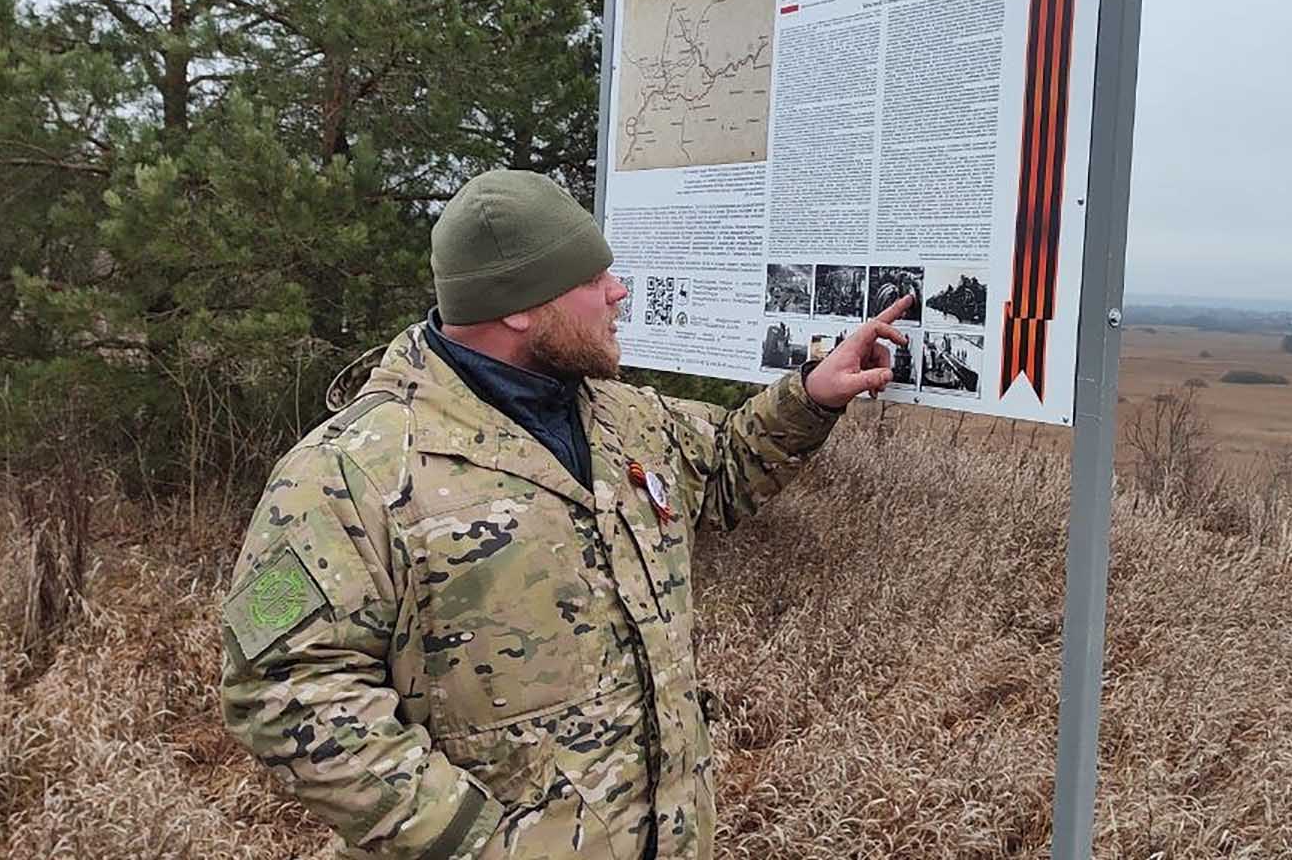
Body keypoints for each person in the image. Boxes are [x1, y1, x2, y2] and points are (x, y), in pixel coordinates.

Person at [219, 169, 911, 860]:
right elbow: (283, 686)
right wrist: (472, 841)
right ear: (520, 307)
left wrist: (813, 396)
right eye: (592, 279)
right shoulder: (350, 471)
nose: (619, 292)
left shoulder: (623, 418)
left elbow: (723, 466)